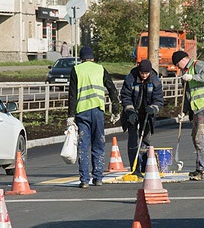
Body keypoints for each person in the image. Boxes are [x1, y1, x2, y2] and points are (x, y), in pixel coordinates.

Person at [68, 46, 120, 188]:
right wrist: (116, 110)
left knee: (83, 146)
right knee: (98, 144)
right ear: (92, 58)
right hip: (97, 111)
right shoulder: (100, 69)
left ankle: (84, 180)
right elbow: (112, 90)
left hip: (82, 112)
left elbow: (72, 95)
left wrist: (70, 116)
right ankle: (98, 178)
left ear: (81, 58)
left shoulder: (76, 70)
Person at [172, 50, 204, 180]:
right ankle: (199, 168)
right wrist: (183, 112)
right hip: (195, 109)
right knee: (195, 137)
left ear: (183, 60)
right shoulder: (185, 74)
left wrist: (193, 77)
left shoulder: (198, 65)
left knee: (201, 137)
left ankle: (203, 171)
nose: (177, 67)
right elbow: (187, 95)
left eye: (177, 64)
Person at [119, 59, 164, 176]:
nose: (144, 76)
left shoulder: (155, 80)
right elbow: (125, 97)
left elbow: (159, 99)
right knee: (133, 140)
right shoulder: (130, 79)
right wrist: (130, 112)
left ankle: (145, 166)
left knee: (146, 140)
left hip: (148, 114)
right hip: (133, 112)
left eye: (146, 73)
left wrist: (153, 108)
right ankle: (135, 168)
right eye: (142, 73)